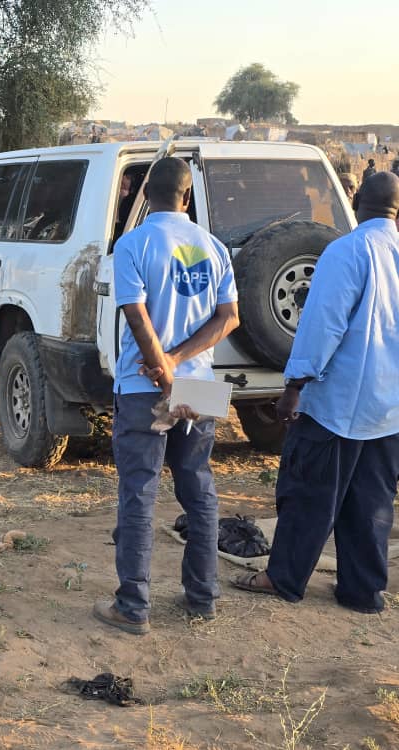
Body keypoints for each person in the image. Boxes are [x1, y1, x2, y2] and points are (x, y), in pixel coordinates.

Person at [232, 172, 399, 615]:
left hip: (339, 404)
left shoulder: (347, 251)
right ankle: (364, 592)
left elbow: (323, 324)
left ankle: (283, 578)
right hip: (389, 408)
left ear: (356, 198)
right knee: (372, 501)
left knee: (307, 492)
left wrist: (294, 385)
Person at [94, 157, 240, 635]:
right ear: (188, 196)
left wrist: (162, 365)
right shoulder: (213, 247)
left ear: (143, 193)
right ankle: (203, 597)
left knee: (139, 493)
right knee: (197, 487)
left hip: (144, 388)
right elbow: (228, 318)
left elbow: (136, 316)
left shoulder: (133, 244)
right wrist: (179, 363)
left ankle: (132, 607)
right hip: (199, 389)